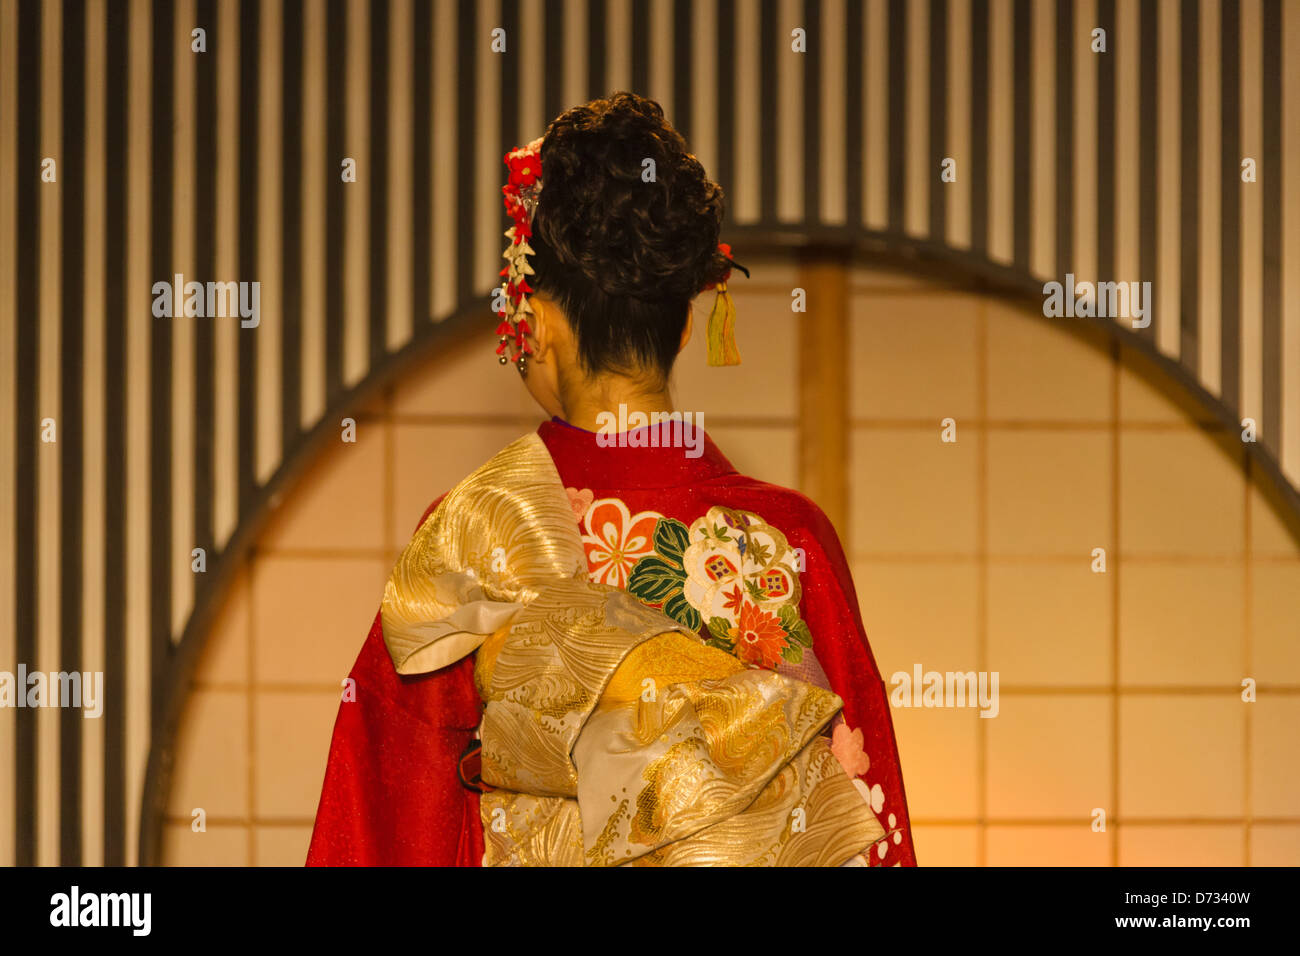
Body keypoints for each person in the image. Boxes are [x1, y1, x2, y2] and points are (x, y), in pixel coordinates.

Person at [306, 92, 916, 867]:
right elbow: (862, 823)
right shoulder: (788, 539)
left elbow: (384, 825)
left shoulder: (475, 535)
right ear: (691, 323)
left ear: (539, 326)